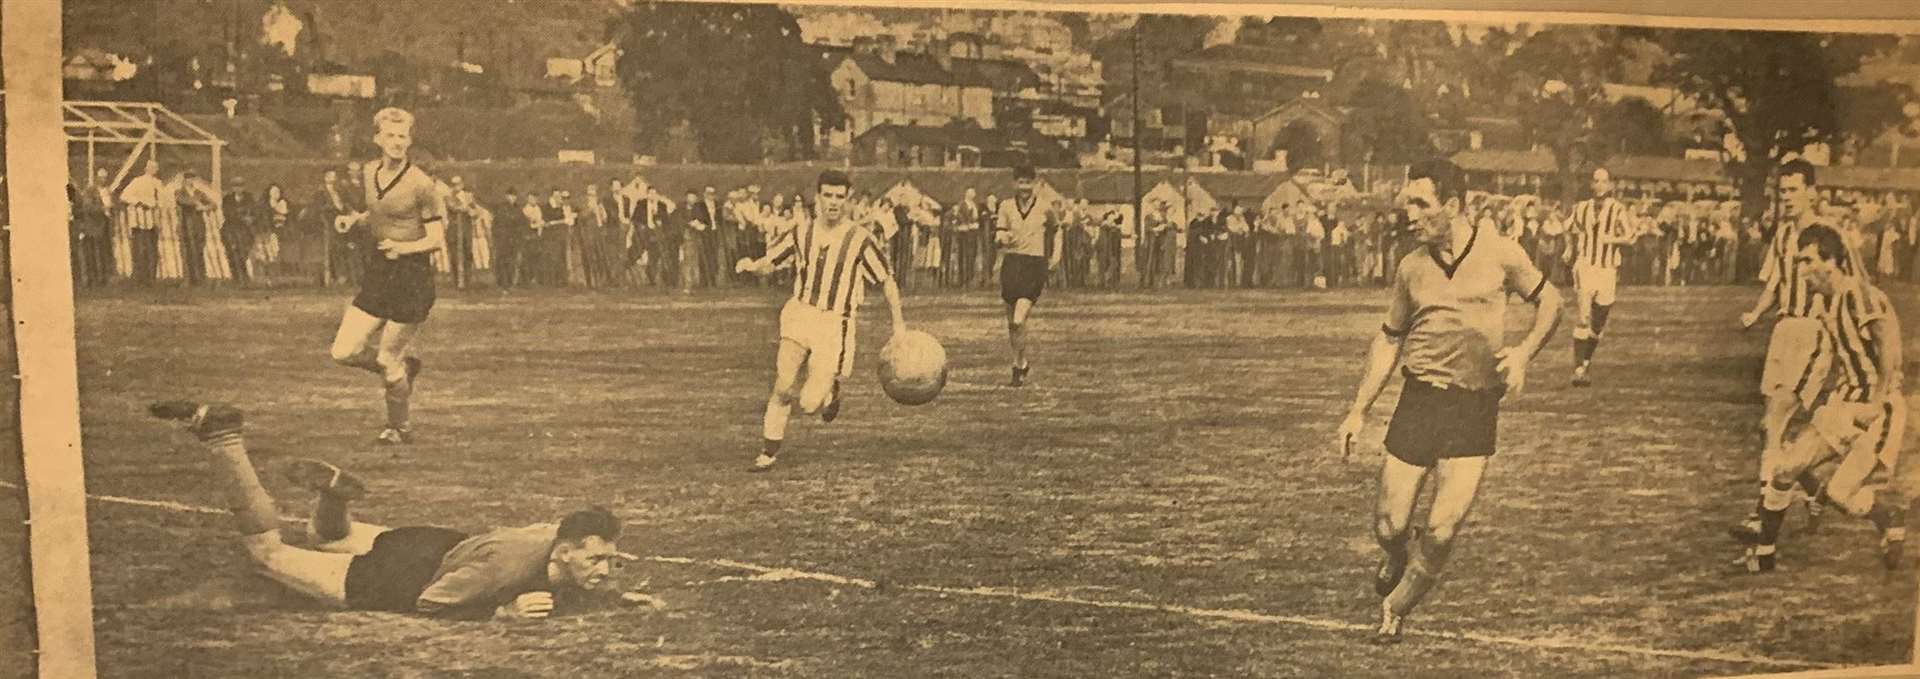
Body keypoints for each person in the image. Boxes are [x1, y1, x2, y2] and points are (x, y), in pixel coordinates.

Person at [145, 399, 661, 618]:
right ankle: (224, 437)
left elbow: (568, 560)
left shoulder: (555, 535)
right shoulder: (506, 568)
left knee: (326, 536)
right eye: (596, 560)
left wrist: (612, 592)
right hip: (408, 574)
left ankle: (334, 496)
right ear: (565, 551)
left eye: (609, 560)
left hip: (436, 540)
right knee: (269, 555)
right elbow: (432, 604)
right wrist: (500, 613)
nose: (605, 567)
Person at [1335, 159, 1561, 643]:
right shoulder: (1411, 268)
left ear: (1453, 205)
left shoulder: (1501, 253)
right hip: (1418, 402)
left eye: (1421, 203)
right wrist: (1359, 409)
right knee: (1389, 525)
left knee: (1440, 533)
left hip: (1473, 408)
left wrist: (1523, 352)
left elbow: (1552, 302)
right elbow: (1389, 338)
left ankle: (1394, 611)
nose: (1409, 214)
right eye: (1407, 204)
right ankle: (1395, 554)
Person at [1730, 223, 1908, 573]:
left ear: (1831, 261)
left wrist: (1877, 399)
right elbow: (1828, 357)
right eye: (1799, 261)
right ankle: (1764, 555)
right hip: (1842, 403)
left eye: (1808, 260)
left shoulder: (1861, 294)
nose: (1801, 269)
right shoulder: (1826, 303)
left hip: (1877, 409)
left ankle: (1888, 516)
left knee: (1841, 494)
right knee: (1785, 468)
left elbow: (1888, 342)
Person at [735, 169, 910, 472]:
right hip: (800, 313)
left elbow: (886, 280)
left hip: (834, 323)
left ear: (848, 200)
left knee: (809, 403)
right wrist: (752, 265)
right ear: (818, 197)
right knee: (783, 384)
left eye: (839, 197)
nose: (833, 203)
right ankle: (768, 450)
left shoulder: (859, 239)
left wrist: (898, 325)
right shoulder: (801, 231)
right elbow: (772, 261)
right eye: (827, 195)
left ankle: (830, 392)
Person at [327, 108, 446, 445]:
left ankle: (399, 428)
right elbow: (381, 213)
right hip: (379, 273)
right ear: (378, 138)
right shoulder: (368, 172)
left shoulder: (423, 185)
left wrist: (403, 249)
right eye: (390, 136)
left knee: (386, 358)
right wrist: (356, 221)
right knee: (343, 351)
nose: (397, 142)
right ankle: (403, 372)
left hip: (411, 277)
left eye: (403, 136)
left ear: (410, 140)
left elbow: (436, 239)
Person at [1737, 160, 1834, 532]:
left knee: (1773, 420)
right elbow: (1775, 282)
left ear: (1812, 191)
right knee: (1769, 429)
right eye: (1783, 191)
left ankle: (1762, 515)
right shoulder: (1782, 234)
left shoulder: (1827, 234)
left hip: (1813, 333)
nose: (1788, 197)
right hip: (1783, 331)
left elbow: (1848, 285)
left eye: (1794, 190)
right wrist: (1755, 314)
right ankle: (1815, 488)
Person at [995, 164, 1064, 387]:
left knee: (1018, 319)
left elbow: (1058, 230)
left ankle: (1019, 365)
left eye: (1028, 182)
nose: (1024, 187)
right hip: (1012, 263)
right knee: (1011, 324)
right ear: (1014, 183)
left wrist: (1056, 255)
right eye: (1020, 182)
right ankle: (1020, 364)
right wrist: (1001, 239)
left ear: (1035, 183)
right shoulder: (1005, 206)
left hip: (1034, 264)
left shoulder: (1045, 207)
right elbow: (1000, 232)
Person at [1565, 168, 1630, 387]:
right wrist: (1568, 248)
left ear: (1610, 185)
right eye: (1596, 181)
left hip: (1607, 270)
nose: (1600, 185)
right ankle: (1578, 369)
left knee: (1598, 324)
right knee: (1583, 317)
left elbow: (1631, 236)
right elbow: (1568, 227)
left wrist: (1610, 239)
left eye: (1604, 181)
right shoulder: (1581, 208)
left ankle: (1585, 361)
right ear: (1592, 185)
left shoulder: (1618, 209)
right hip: (1586, 266)